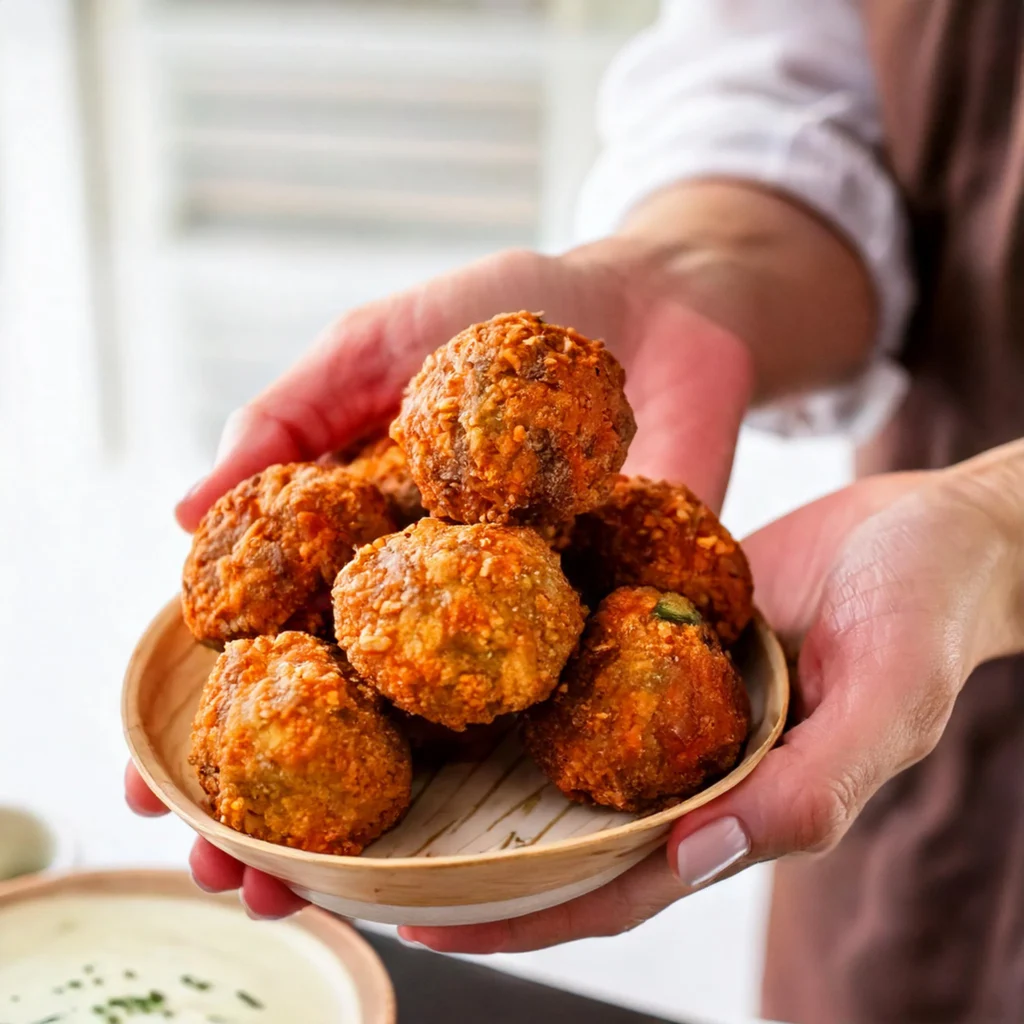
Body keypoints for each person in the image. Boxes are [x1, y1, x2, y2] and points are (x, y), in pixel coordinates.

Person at [125, 2, 1024, 1020]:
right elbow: (796, 102)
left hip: (940, 577)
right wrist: (684, 274)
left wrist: (997, 521)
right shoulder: (437, 547)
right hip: (921, 797)